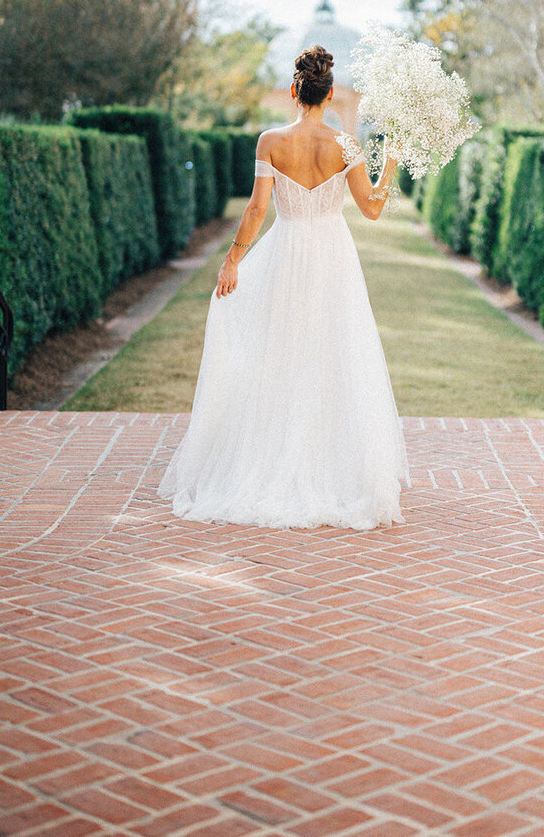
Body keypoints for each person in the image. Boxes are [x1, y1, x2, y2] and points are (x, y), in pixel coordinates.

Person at [157, 44, 410, 530]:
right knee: (333, 353)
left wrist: (233, 260)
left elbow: (255, 210)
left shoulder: (270, 141)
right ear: (331, 94)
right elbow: (373, 208)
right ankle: (334, 471)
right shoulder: (346, 146)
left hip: (285, 251)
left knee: (278, 352)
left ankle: (271, 460)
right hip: (333, 257)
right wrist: (392, 159)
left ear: (295, 91)